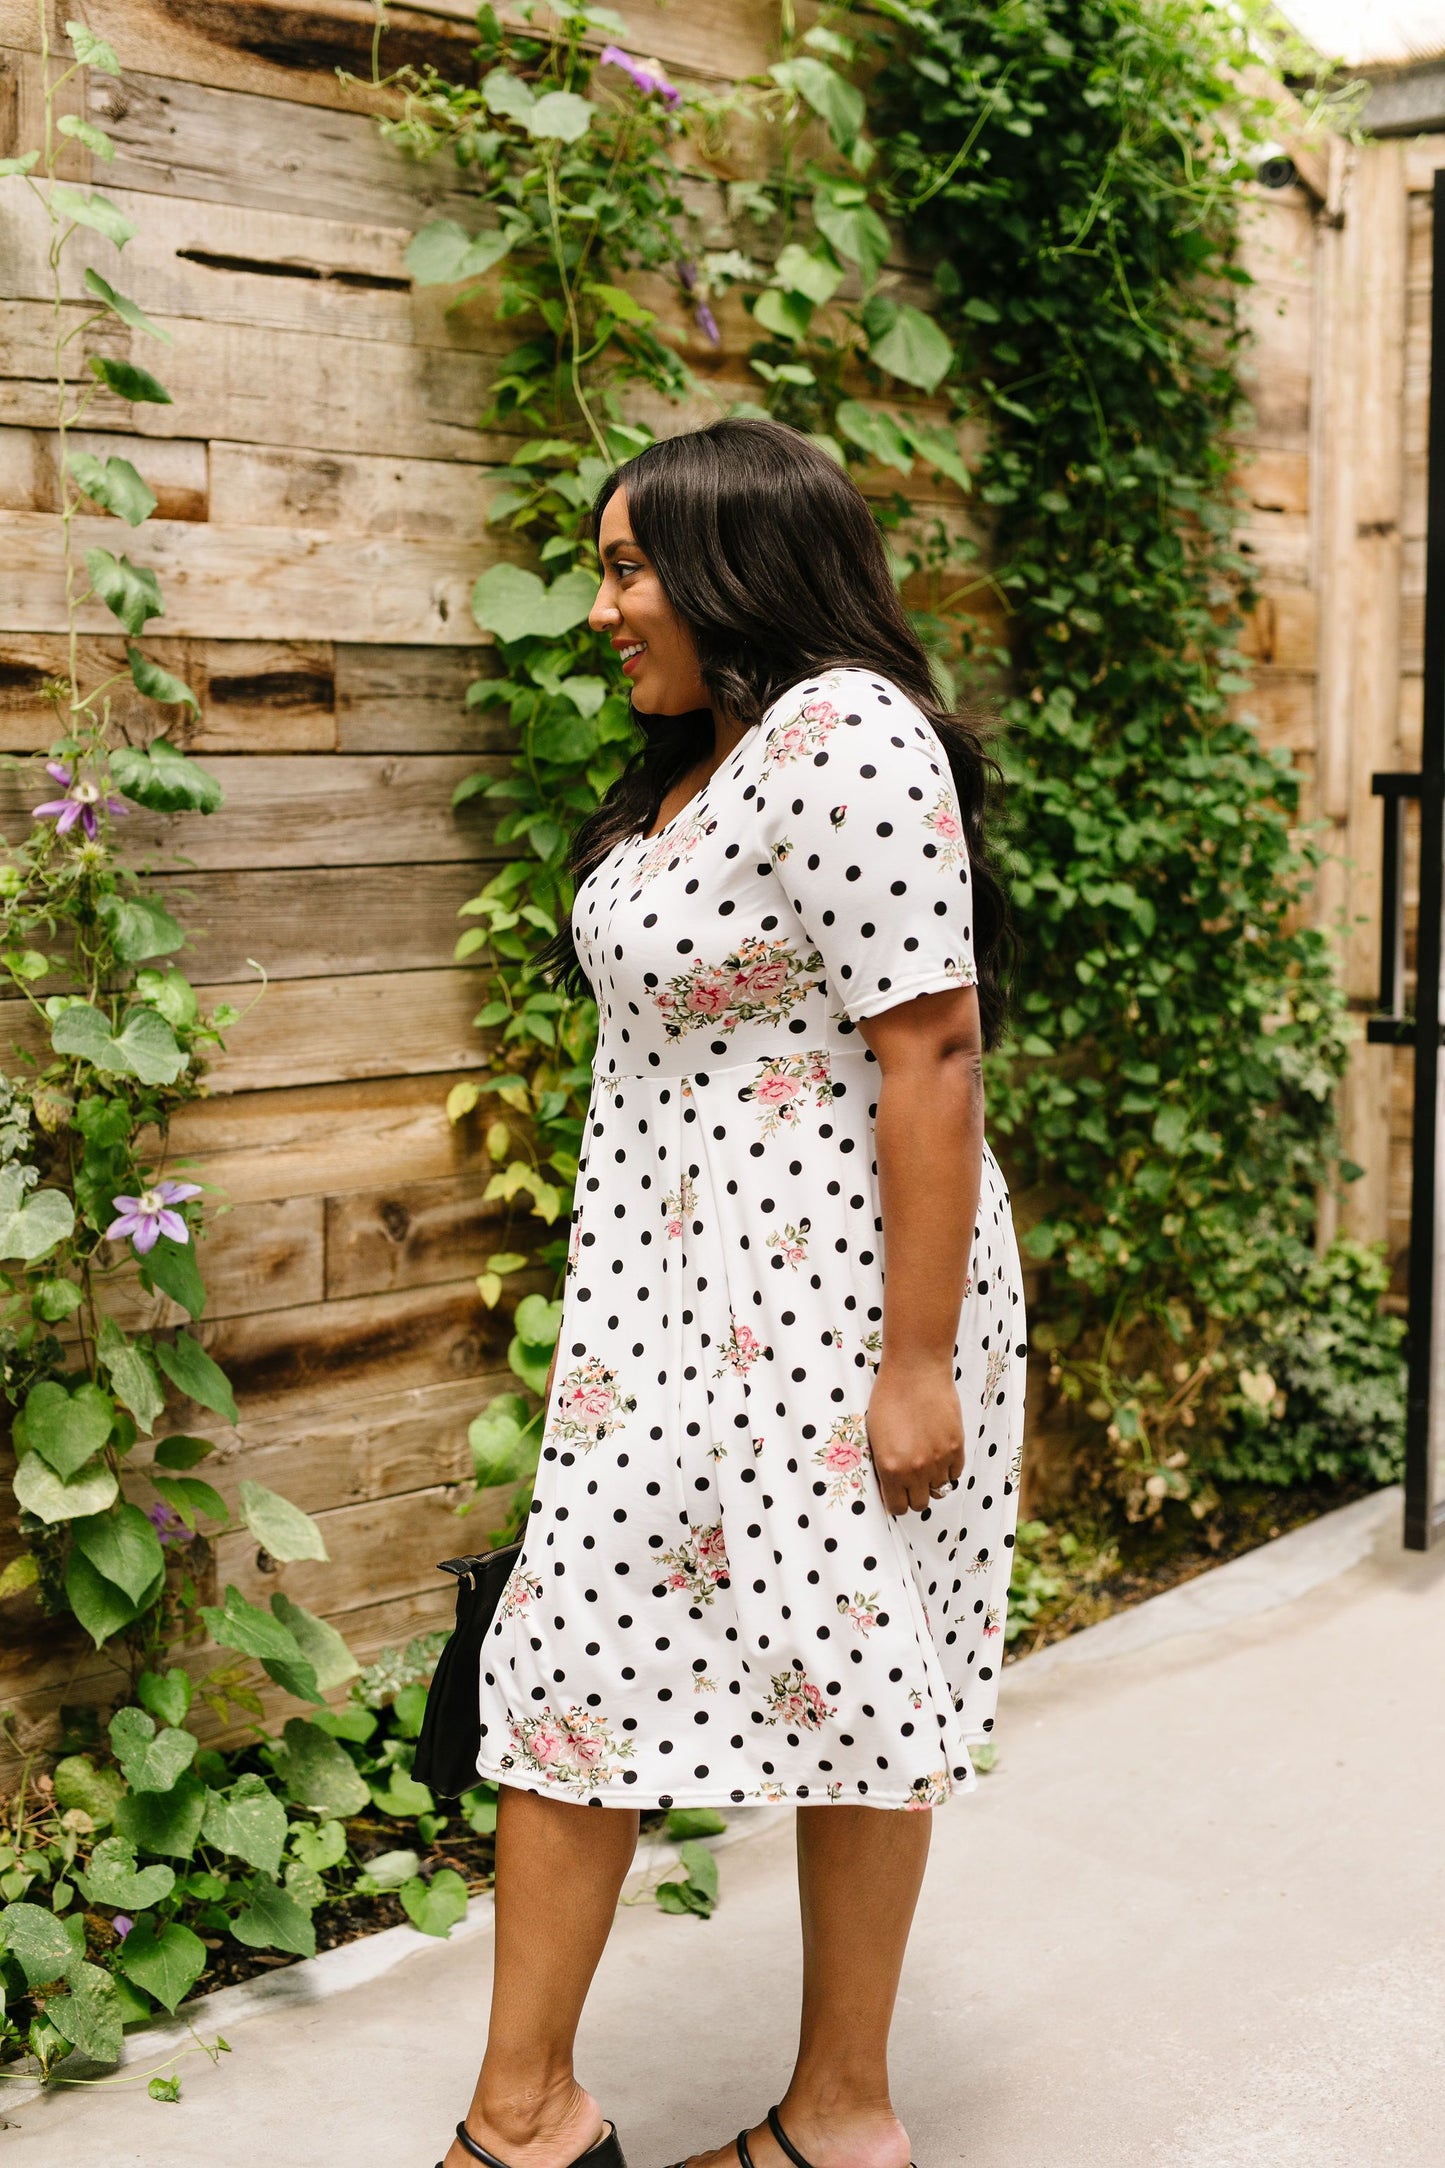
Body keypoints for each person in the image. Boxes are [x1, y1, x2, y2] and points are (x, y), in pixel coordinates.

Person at [436, 418, 1026, 2168]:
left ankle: (822, 2118)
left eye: (628, 567)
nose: (604, 606)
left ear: (731, 564)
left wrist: (913, 1366)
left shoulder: (846, 734)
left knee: (858, 1679)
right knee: (570, 1659)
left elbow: (928, 1046)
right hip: (674, 1319)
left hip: (838, 1313)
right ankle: (531, 2111)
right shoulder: (704, 761)